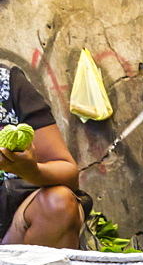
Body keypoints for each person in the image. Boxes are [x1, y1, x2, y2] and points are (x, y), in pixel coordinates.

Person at [0, 64, 89, 249]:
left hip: (11, 232)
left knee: (58, 203)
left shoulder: (7, 83)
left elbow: (67, 172)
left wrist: (30, 170)